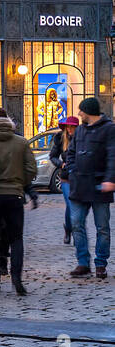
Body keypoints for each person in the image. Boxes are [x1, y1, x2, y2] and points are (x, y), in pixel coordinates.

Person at [0, 107, 35, 294]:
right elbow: (31, 169)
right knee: (16, 239)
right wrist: (20, 183)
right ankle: (16, 278)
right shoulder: (21, 142)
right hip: (14, 195)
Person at [63, 97, 115, 279]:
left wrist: (110, 179)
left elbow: (112, 156)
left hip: (100, 186)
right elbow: (71, 153)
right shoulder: (80, 131)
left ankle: (101, 263)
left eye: (81, 111)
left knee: (102, 227)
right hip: (79, 185)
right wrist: (71, 169)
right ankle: (83, 263)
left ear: (89, 112)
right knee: (76, 223)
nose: (79, 114)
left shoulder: (109, 129)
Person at [52, 116, 80, 244]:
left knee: (76, 206)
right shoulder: (60, 138)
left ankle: (71, 229)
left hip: (79, 178)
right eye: (68, 126)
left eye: (72, 126)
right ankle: (72, 231)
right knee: (71, 204)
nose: (69, 129)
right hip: (66, 178)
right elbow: (52, 156)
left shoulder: (81, 138)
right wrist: (60, 164)